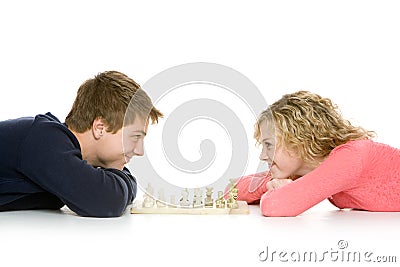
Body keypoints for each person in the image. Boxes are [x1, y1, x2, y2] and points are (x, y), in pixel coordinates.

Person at [0, 71, 163, 217]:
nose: (139, 151)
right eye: (134, 137)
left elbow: (120, 185)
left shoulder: (65, 154)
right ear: (100, 128)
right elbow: (107, 200)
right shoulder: (44, 140)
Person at [235, 90, 400, 216]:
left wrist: (280, 190)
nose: (263, 156)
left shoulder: (350, 158)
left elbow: (274, 205)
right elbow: (232, 190)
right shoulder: (306, 169)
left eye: (269, 145)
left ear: (299, 141)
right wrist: (272, 184)